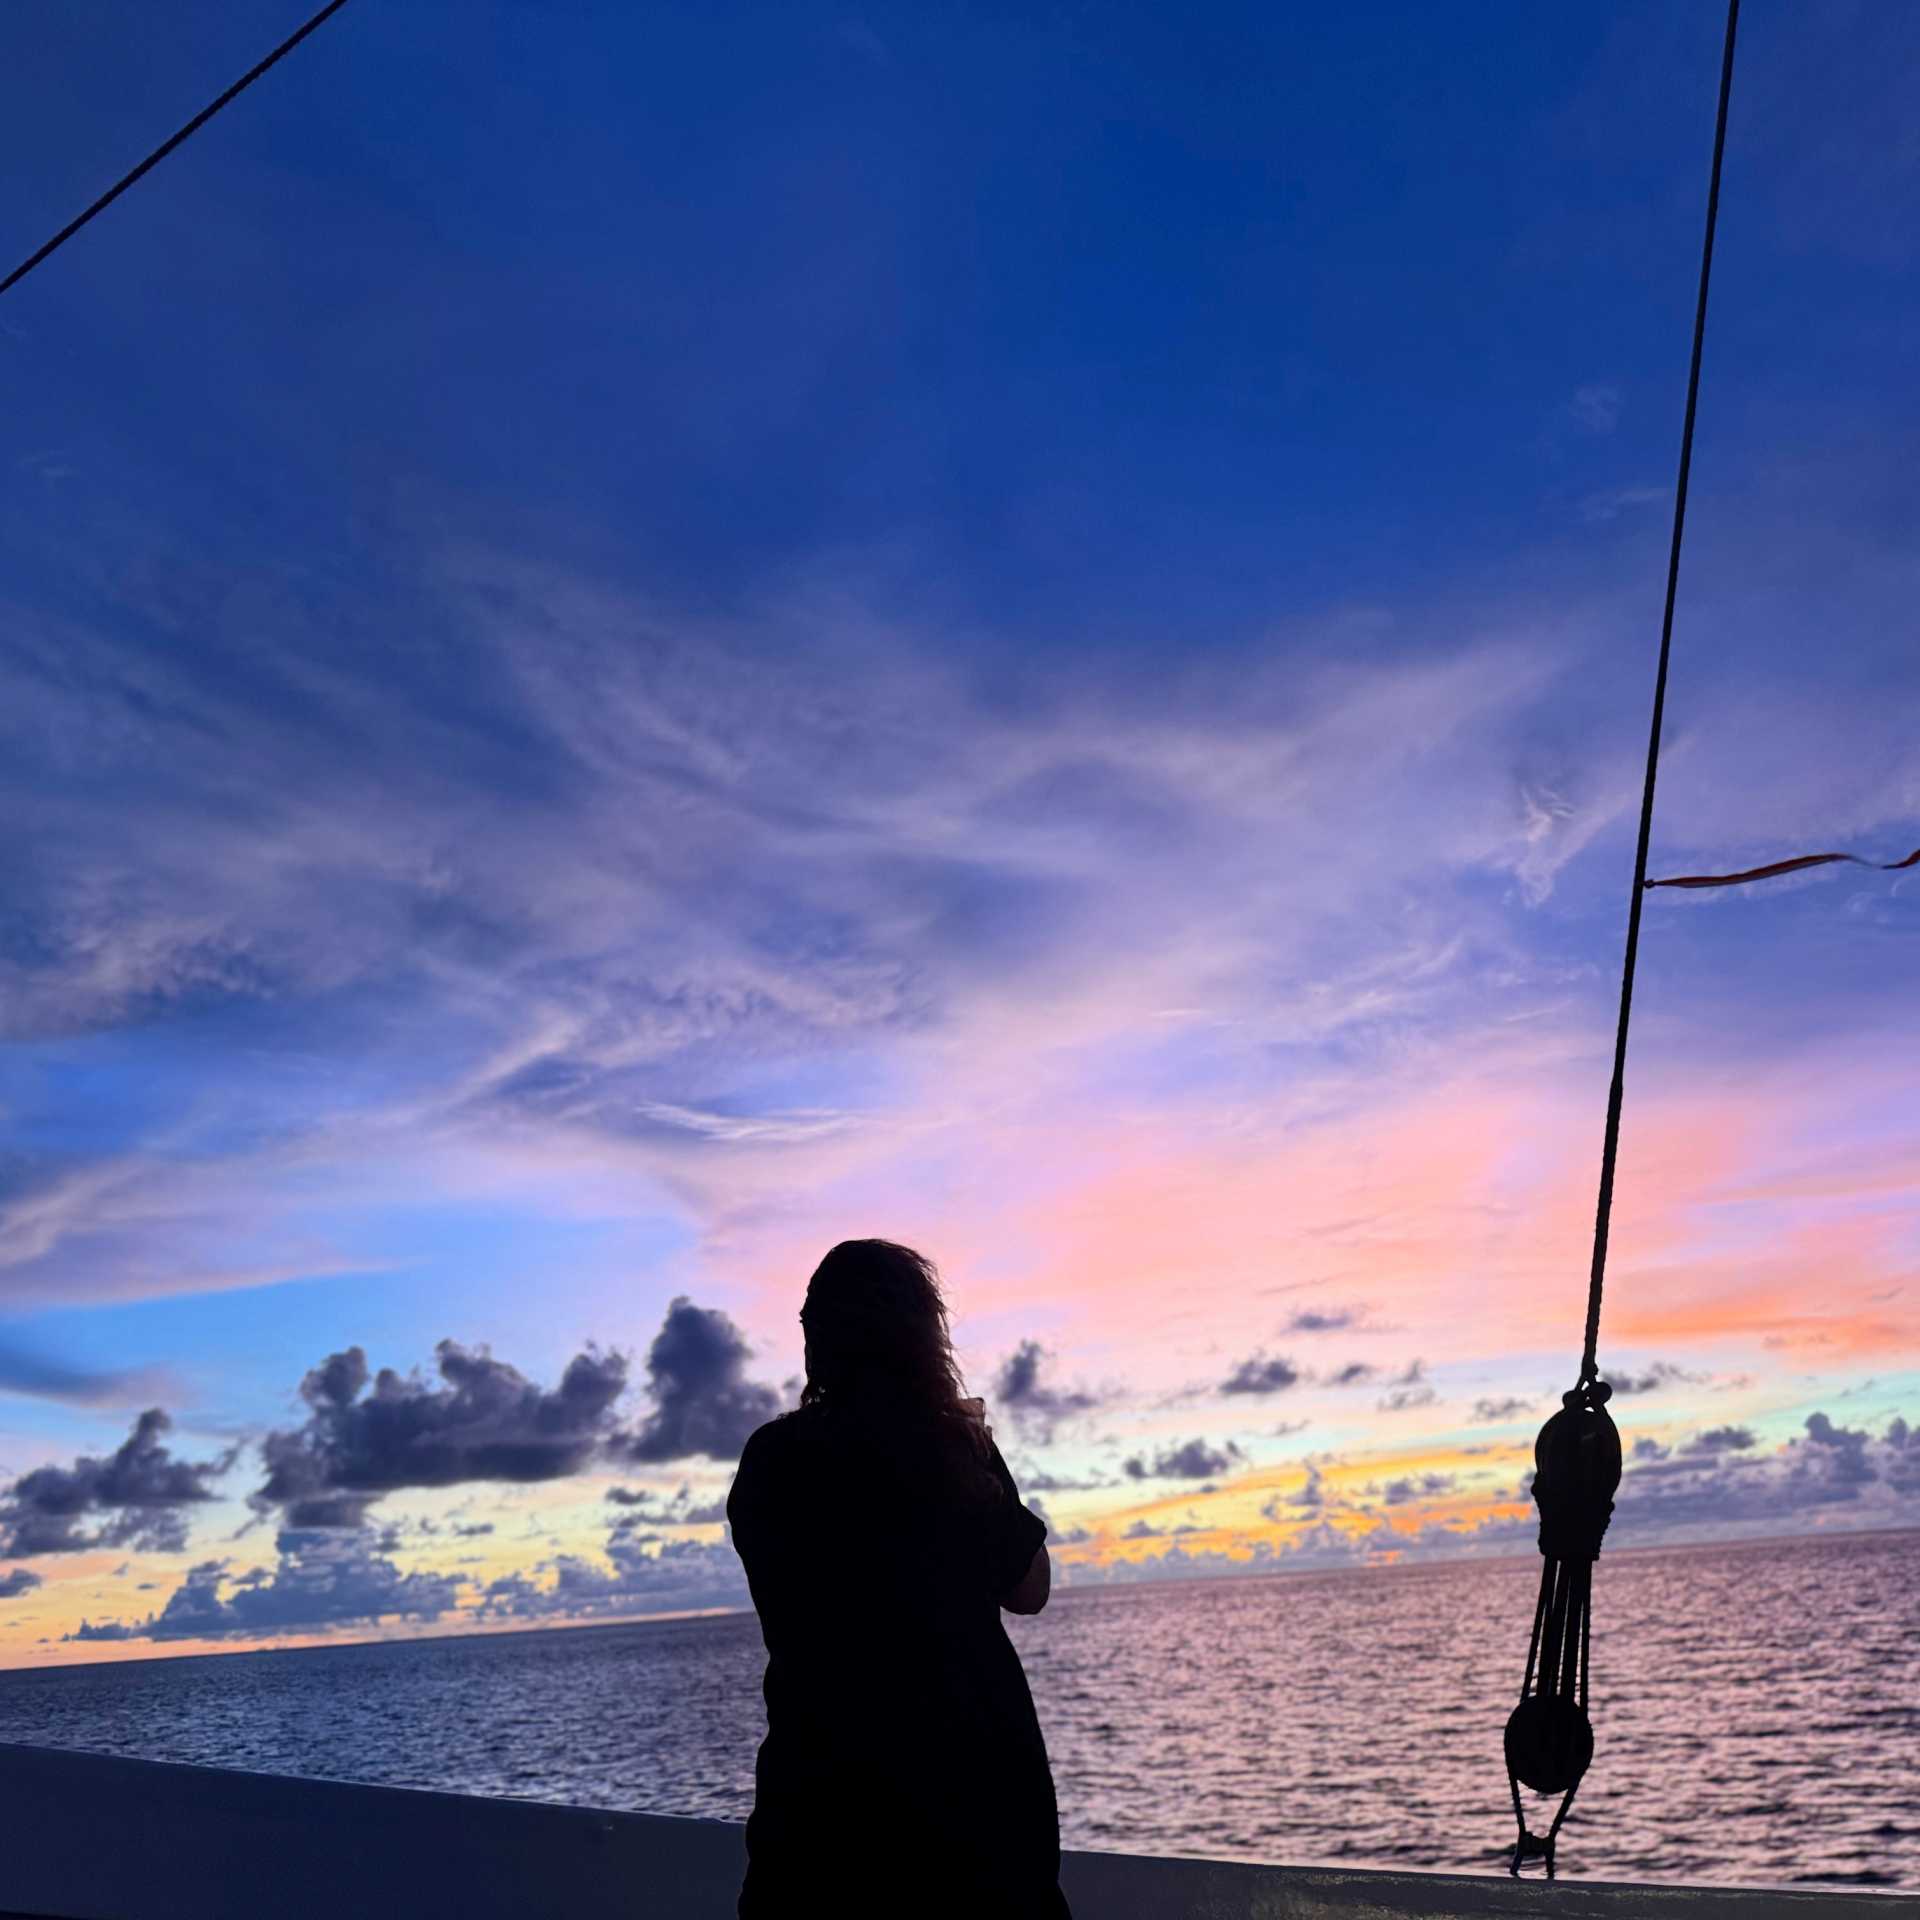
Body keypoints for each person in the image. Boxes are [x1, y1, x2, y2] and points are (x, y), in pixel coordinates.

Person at [727, 1239, 1071, 1919]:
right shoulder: (953, 1454)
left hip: (816, 1832)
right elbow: (1029, 1589)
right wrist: (973, 1447)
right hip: (972, 1834)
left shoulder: (772, 1461)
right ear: (922, 1334)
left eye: (808, 1322)